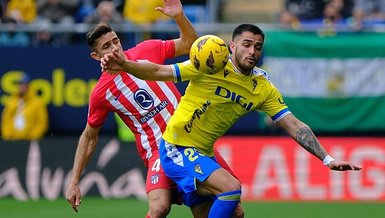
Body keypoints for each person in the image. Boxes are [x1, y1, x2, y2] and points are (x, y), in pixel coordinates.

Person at [101, 23, 363, 217]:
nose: (252, 51)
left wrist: (328, 159)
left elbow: (295, 126)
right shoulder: (210, 65)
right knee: (230, 188)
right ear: (233, 46)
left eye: (258, 47)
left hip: (202, 153)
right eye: (247, 44)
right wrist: (125, 64)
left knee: (236, 213)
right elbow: (160, 70)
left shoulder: (262, 88)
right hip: (175, 147)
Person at [65, 1, 244, 218]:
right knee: (159, 208)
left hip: (192, 141)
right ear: (96, 56)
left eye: (115, 41)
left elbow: (190, 44)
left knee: (235, 211)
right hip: (158, 151)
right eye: (106, 47)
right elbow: (89, 136)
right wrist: (74, 181)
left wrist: (179, 17)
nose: (114, 48)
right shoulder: (101, 93)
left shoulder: (146, 50)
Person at [1, 73, 48, 140]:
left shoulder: (37, 102)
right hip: (12, 140)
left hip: (29, 140)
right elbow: (6, 120)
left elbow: (41, 122)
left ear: (28, 86)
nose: (20, 86)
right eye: (19, 84)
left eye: (23, 84)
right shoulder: (11, 101)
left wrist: (33, 136)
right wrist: (8, 136)